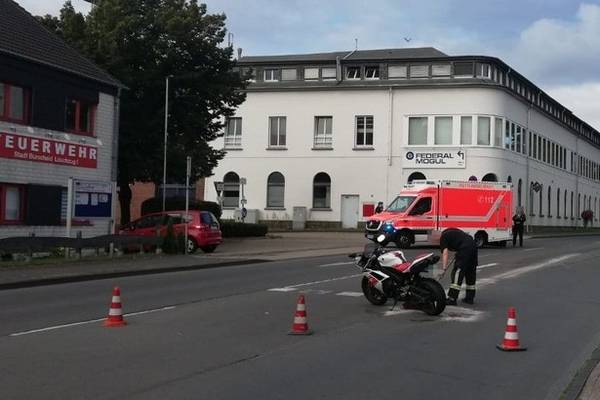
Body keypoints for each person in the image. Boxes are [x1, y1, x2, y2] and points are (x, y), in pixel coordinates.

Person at [439, 228, 478, 305]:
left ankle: (452, 299)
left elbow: (445, 253)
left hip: (465, 248)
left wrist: (444, 268)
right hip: (473, 245)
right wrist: (459, 251)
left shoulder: (443, 237)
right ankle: (469, 298)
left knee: (457, 272)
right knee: (470, 272)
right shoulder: (449, 231)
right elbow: (460, 239)